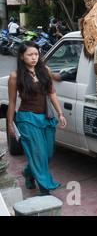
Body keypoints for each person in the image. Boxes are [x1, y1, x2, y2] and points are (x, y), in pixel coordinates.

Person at [7, 41, 67, 195]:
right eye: (29, 55)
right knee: (38, 154)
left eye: (36, 54)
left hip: (46, 118)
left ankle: (28, 172)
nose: (34, 58)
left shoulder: (44, 70)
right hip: (27, 119)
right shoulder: (15, 77)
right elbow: (12, 102)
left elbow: (52, 92)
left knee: (46, 154)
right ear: (21, 57)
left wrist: (60, 113)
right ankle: (45, 189)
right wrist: (10, 125)